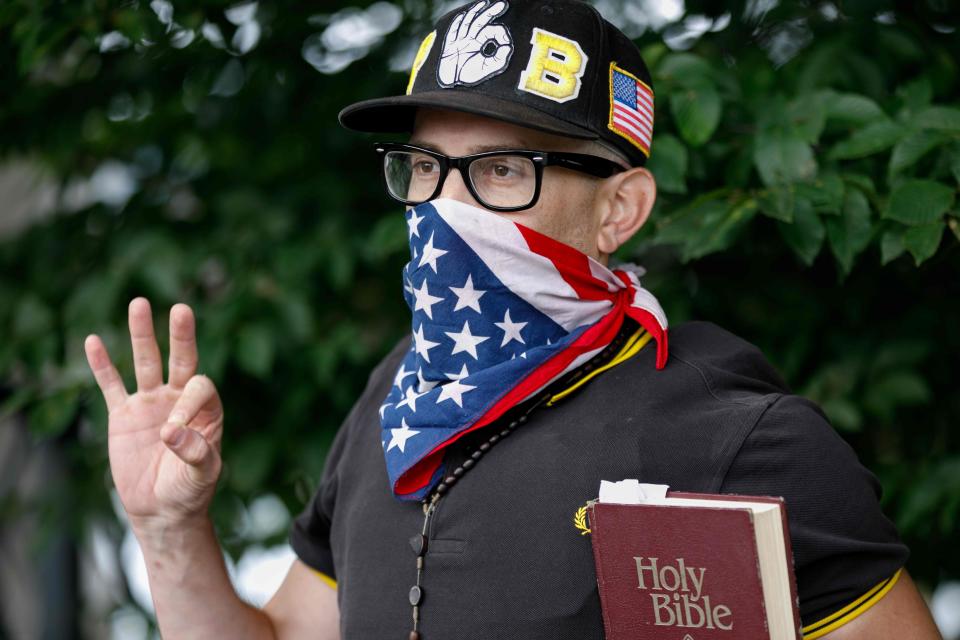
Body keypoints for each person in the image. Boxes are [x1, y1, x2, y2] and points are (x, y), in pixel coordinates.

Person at [84, 1, 943, 638]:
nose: (445, 207)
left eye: (501, 171)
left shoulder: (740, 435)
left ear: (620, 210)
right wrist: (170, 531)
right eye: (422, 166)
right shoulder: (398, 396)